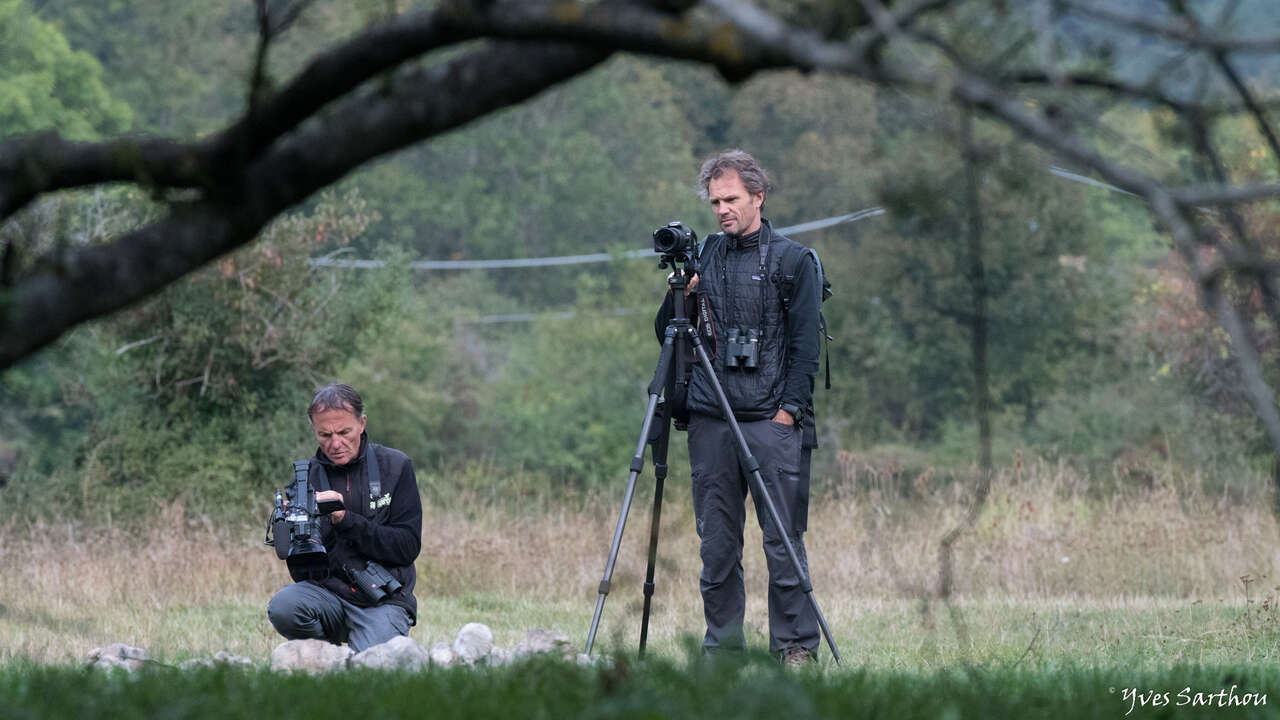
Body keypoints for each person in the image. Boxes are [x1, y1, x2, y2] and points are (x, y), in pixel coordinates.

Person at [655, 149, 822, 665]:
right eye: (715, 202)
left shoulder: (795, 261)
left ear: (758, 196)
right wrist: (682, 293)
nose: (722, 209)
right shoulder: (703, 256)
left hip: (771, 421)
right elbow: (667, 333)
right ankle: (723, 651)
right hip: (710, 420)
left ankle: (794, 648)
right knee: (718, 546)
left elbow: (805, 349)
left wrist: (788, 413)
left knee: (783, 544)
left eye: (731, 199)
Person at [267, 383, 422, 652]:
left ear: (361, 424)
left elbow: (407, 547)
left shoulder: (395, 466)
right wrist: (293, 529)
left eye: (344, 432)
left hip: (381, 600)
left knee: (375, 667)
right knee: (284, 607)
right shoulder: (305, 481)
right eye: (324, 434)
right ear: (314, 430)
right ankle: (326, 654)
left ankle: (362, 647)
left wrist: (343, 518)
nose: (335, 443)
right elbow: (301, 572)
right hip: (327, 596)